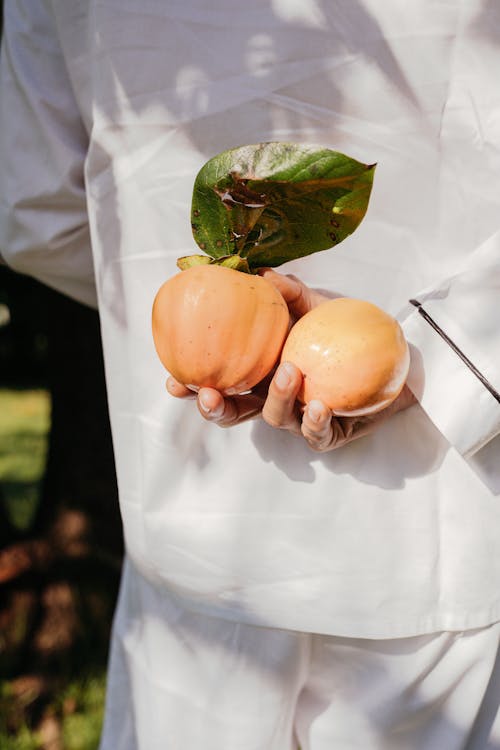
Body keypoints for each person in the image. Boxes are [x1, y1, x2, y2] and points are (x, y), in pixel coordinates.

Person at [1, 1, 499, 747]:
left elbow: (36, 212)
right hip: (438, 520)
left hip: (192, 528)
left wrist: (198, 320)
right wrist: (435, 350)